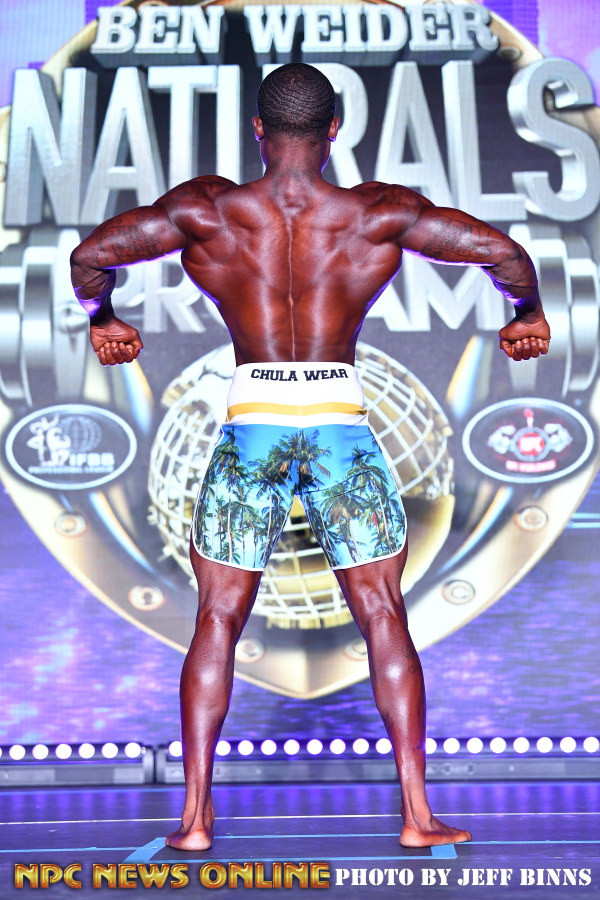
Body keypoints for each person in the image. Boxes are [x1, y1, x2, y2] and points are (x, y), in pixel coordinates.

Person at [70, 63, 551, 851]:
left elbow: (92, 257)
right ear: (334, 131)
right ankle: (417, 816)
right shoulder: (379, 213)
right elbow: (500, 252)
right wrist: (524, 312)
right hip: (338, 428)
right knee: (383, 613)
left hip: (253, 426)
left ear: (259, 130)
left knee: (217, 617)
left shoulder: (206, 210)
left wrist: (103, 319)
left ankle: (194, 821)